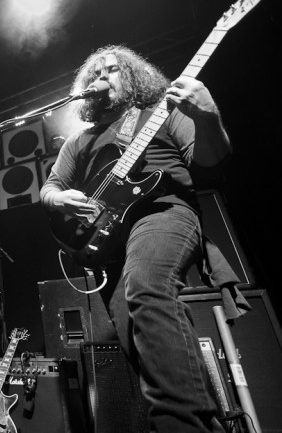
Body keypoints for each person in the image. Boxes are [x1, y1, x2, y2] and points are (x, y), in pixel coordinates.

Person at [40, 45, 233, 432]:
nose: (102, 77)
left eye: (112, 70)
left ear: (132, 76)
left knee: (146, 285)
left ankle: (181, 424)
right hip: (109, 240)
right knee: (133, 335)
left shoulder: (164, 111)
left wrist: (208, 116)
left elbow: (212, 160)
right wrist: (60, 199)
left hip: (163, 212)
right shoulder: (80, 141)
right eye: (95, 74)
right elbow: (49, 188)